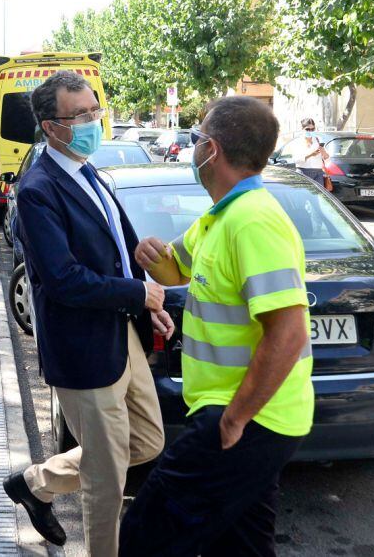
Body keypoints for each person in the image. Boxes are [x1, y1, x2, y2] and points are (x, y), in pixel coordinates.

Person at [121, 96, 314, 556]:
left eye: (195, 138)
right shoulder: (220, 218)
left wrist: (234, 419)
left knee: (144, 536)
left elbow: (288, 333)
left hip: (248, 418)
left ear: (213, 148)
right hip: (245, 417)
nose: (191, 148)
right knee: (242, 546)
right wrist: (152, 256)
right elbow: (177, 272)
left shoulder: (253, 222)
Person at [3, 71, 175, 557]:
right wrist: (138, 295)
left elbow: (116, 255)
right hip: (82, 349)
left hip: (124, 336)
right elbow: (63, 280)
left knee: (146, 441)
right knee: (107, 477)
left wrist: (142, 283)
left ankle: (36, 483)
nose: (91, 122)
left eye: (94, 110)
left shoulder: (91, 172)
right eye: (78, 115)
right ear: (50, 126)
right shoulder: (39, 190)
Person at [292, 117, 329, 187]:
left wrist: (322, 150)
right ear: (302, 129)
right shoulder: (297, 142)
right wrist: (311, 155)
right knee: (304, 195)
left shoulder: (317, 140)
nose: (310, 131)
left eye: (312, 129)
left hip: (318, 173)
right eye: (307, 129)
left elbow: (326, 157)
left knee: (319, 196)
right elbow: (295, 160)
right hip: (303, 172)